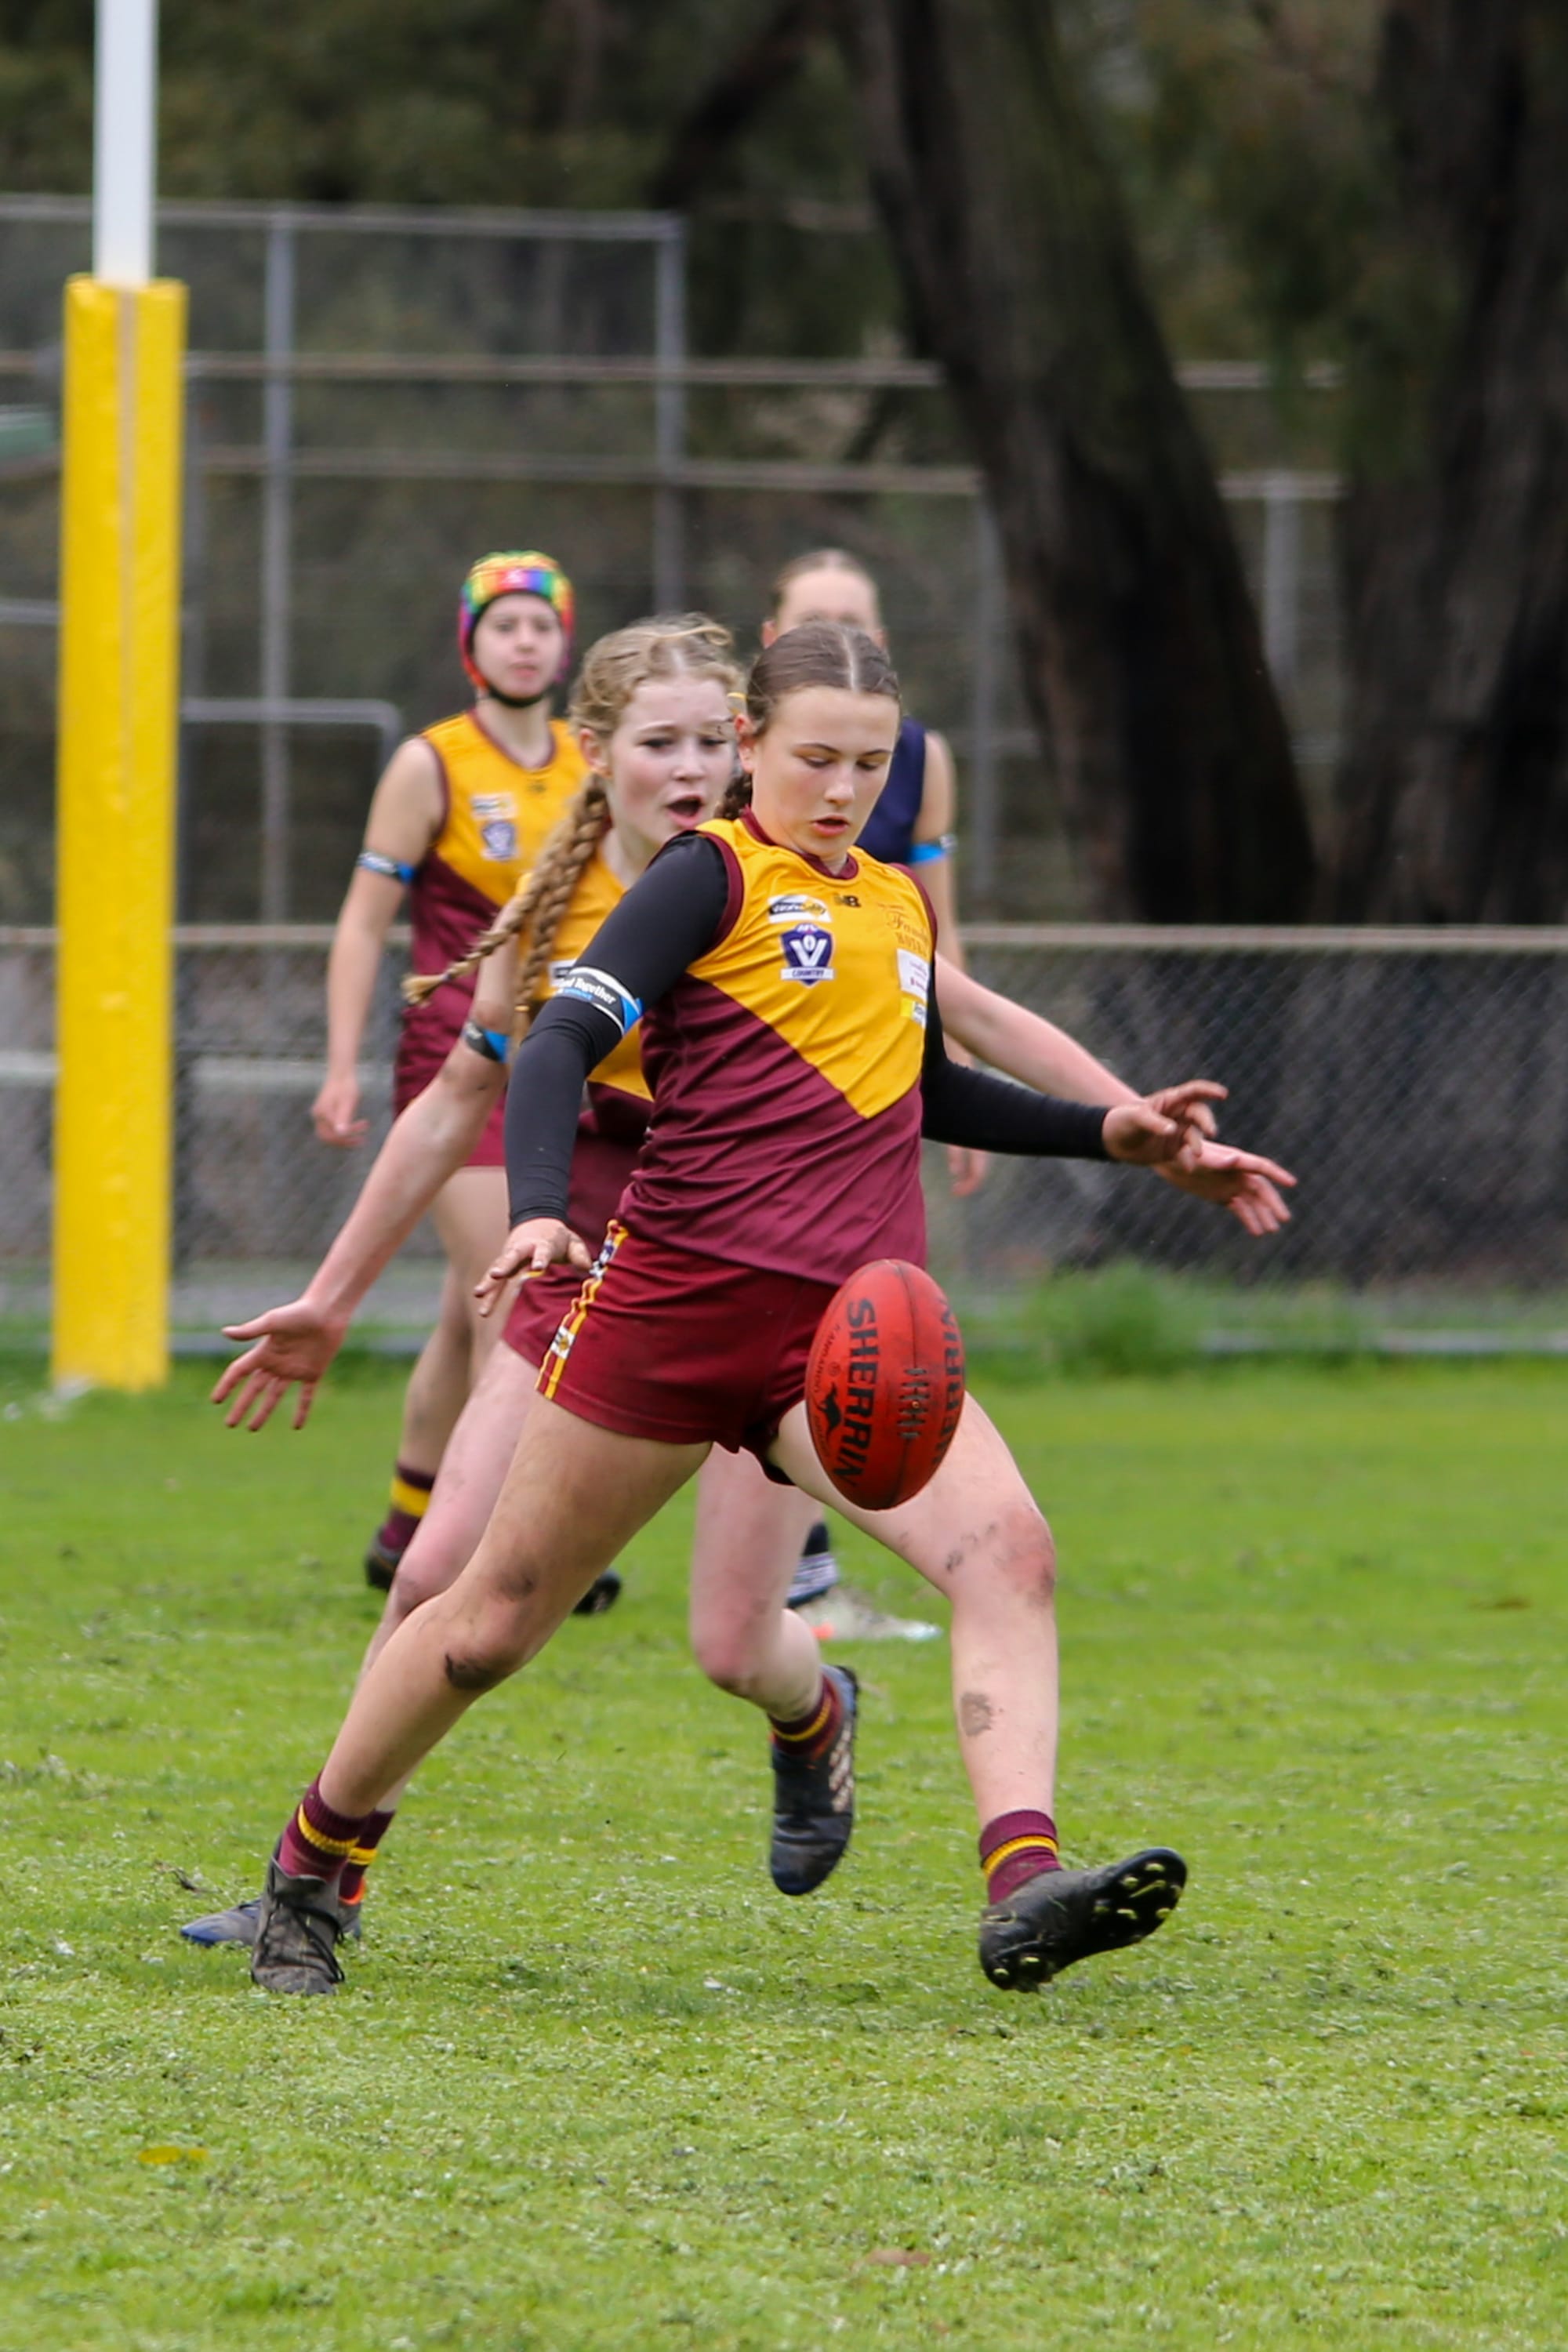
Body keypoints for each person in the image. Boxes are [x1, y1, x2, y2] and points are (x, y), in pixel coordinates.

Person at [185, 620, 1292, 1950]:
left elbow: (928, 1087)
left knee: (1011, 1555)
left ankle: (1025, 1882)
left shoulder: (893, 902)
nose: (841, 789)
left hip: (841, 1343)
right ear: (753, 745)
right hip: (667, 1319)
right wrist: (539, 1215)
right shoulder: (703, 881)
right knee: (484, 1625)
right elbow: (550, 1058)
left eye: (871, 765)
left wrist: (1116, 1134)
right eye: (815, 757)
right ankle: (313, 1869)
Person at [310, 552, 585, 1594]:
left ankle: (405, 1525)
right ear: (470, 642)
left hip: (564, 1061)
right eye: (504, 624)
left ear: (565, 643)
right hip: (456, 1060)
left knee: (465, 1306)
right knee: (518, 1299)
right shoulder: (431, 764)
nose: (525, 641)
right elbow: (361, 924)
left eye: (541, 624)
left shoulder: (593, 762)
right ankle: (506, 1549)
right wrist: (341, 1065)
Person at [763, 549, 977, 1639]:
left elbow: (937, 943)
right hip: (751, 1125)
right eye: (820, 619)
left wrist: (958, 1084)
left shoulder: (918, 774)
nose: (844, 788)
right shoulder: (728, 852)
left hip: (870, 1094)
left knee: (835, 1348)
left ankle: (800, 1590)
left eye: (861, 618)